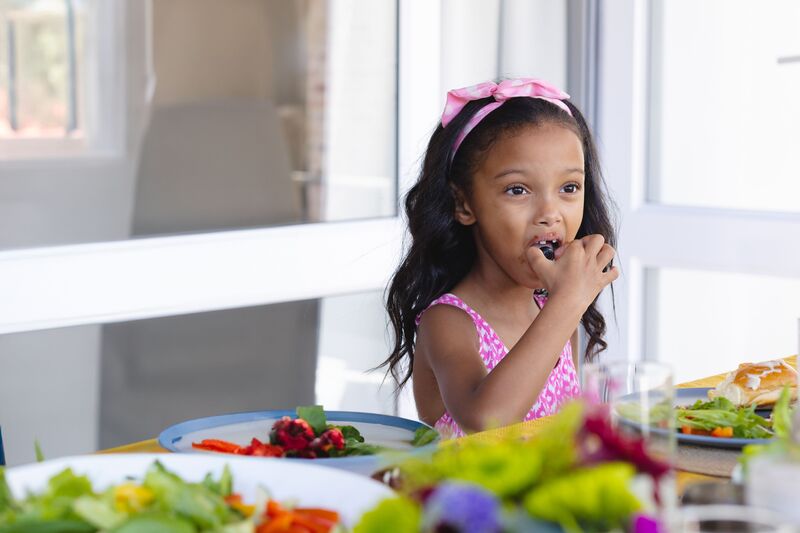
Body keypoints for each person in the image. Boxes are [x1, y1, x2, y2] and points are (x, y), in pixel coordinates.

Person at [382, 78, 618, 438]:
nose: (550, 214)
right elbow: (487, 421)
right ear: (464, 204)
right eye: (517, 190)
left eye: (569, 188)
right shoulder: (448, 321)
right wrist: (568, 303)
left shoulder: (551, 310)